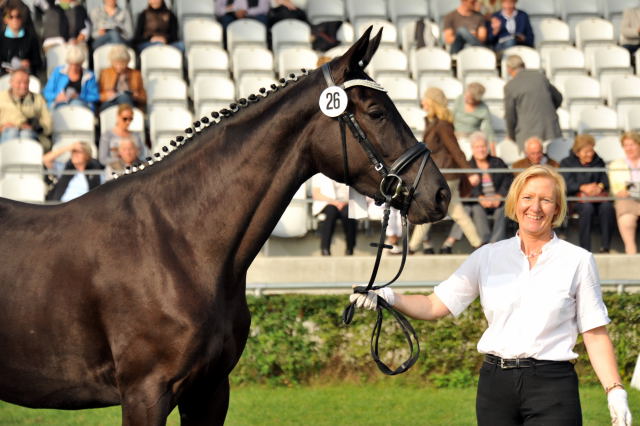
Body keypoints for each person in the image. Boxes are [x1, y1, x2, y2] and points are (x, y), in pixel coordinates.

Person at [351, 164, 632, 426]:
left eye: (546, 200)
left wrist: (614, 389)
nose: (535, 207)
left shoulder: (578, 260)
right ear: (515, 203)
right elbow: (434, 305)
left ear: (557, 208)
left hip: (553, 386)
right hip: (495, 386)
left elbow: (594, 332)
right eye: (528, 197)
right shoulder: (487, 256)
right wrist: (387, 296)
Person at [409, 87, 482, 254]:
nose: (423, 103)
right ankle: (478, 244)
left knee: (432, 208)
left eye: (425, 99)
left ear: (432, 102)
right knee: (456, 211)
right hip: (441, 175)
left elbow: (455, 150)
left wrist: (469, 173)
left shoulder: (442, 125)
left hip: (445, 175)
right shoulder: (434, 122)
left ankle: (412, 248)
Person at [450, 131, 512, 245]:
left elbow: (508, 180)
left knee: (503, 209)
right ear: (472, 149)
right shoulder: (468, 166)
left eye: (483, 146)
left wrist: (499, 195)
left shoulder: (498, 162)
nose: (481, 150)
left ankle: (496, 242)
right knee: (476, 208)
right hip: (479, 201)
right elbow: (465, 186)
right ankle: (485, 241)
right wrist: (480, 197)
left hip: (498, 200)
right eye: (477, 147)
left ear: (487, 147)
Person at [560, 134, 615, 253]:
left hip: (597, 198)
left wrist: (598, 187)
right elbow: (566, 185)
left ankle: (605, 247)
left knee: (607, 207)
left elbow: (604, 180)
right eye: (586, 152)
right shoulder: (566, 163)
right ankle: (585, 249)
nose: (590, 154)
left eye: (591, 151)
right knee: (587, 208)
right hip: (577, 200)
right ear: (577, 151)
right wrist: (582, 187)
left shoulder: (598, 161)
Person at [504, 54, 563, 150]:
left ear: (509, 69)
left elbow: (510, 116)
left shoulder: (510, 86)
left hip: (527, 134)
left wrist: (511, 135)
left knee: (530, 164)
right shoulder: (540, 77)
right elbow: (558, 98)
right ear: (523, 65)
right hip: (551, 130)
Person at [0, 68, 52, 148]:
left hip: (32, 134)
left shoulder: (38, 99)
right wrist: (2, 127)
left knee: (26, 134)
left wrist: (34, 127)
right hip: (6, 134)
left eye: (26, 82)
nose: (23, 86)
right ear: (11, 82)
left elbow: (48, 124)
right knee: (11, 132)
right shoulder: (1, 98)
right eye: (19, 82)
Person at [608, 131, 640, 254]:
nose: (628, 148)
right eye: (625, 145)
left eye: (632, 144)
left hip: (630, 195)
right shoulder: (616, 164)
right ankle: (631, 252)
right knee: (626, 219)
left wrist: (629, 188)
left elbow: (626, 187)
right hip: (627, 200)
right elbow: (618, 188)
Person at [43, 44, 99, 111]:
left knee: (76, 103)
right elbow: (47, 92)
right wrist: (57, 96)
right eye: (71, 64)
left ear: (81, 63)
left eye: (77, 65)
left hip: (80, 106)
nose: (74, 68)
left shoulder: (89, 76)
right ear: (68, 62)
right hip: (59, 104)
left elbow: (95, 96)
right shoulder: (58, 72)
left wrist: (79, 97)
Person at [312, 173, 356, 256]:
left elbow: (351, 192)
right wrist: (333, 202)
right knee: (331, 212)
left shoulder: (344, 172)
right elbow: (316, 194)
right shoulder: (318, 174)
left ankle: (350, 248)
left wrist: (344, 202)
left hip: (344, 203)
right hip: (326, 204)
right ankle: (325, 248)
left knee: (349, 214)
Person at [98, 44, 146, 111]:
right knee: (123, 98)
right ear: (112, 62)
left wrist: (136, 95)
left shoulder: (136, 74)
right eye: (116, 63)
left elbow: (144, 98)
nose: (119, 66)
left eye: (122, 63)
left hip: (130, 102)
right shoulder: (105, 73)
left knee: (124, 97)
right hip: (110, 103)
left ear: (127, 62)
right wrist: (106, 95)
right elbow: (97, 95)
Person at [0, 5, 43, 76]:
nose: (15, 20)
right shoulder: (1, 38)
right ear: (5, 20)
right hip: (5, 76)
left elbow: (38, 63)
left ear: (22, 19)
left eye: (18, 16)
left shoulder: (31, 38)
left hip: (26, 75)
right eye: (11, 17)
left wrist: (29, 64)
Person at [453, 82, 495, 146]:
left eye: (469, 98)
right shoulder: (459, 99)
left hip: (472, 138)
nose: (465, 98)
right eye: (466, 95)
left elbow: (489, 131)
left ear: (476, 99)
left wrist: (493, 151)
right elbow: (451, 117)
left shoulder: (483, 109)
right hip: (455, 135)